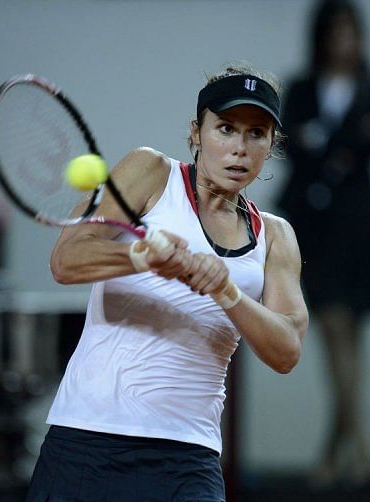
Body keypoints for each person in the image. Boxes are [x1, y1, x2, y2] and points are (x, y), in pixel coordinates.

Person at [26, 64, 309, 502]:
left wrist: (227, 291)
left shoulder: (275, 236)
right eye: (226, 129)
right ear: (197, 133)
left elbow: (287, 349)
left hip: (187, 461)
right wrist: (140, 255)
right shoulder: (150, 172)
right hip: (87, 441)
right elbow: (66, 260)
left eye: (256, 134)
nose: (238, 148)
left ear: (271, 145)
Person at [277, 0, 370, 487]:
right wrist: (330, 148)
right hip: (312, 225)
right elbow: (287, 143)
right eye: (335, 32)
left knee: (350, 337)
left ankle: (334, 452)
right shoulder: (300, 89)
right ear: (322, 37)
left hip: (358, 226)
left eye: (351, 32)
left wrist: (321, 144)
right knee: (331, 328)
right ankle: (360, 446)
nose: (344, 42)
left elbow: (362, 149)